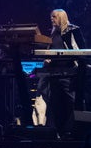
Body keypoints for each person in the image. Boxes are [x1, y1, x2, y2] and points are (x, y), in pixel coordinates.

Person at [37, 9, 87, 137]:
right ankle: (59, 131)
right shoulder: (53, 34)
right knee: (56, 103)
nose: (51, 19)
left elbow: (81, 51)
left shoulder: (73, 30)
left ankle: (74, 130)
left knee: (72, 101)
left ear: (61, 17)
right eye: (51, 17)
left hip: (70, 74)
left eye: (54, 17)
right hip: (54, 74)